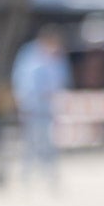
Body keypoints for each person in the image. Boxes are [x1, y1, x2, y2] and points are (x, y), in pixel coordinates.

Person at [10, 23, 72, 183]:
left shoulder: (57, 56)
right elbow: (23, 81)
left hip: (48, 107)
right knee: (30, 143)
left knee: (49, 143)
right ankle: (26, 177)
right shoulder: (30, 55)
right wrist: (23, 102)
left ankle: (50, 177)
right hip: (32, 106)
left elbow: (61, 79)